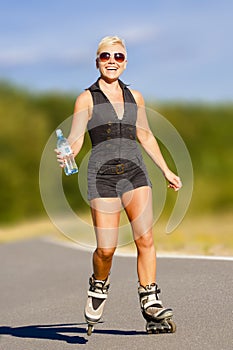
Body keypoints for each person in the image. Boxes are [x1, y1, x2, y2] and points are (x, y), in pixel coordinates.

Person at [56, 35, 182, 334]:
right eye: (105, 56)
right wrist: (67, 153)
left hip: (136, 173)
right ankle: (98, 285)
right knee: (106, 249)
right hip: (102, 177)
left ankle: (150, 302)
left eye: (119, 56)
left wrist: (166, 169)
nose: (112, 61)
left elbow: (146, 135)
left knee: (145, 239)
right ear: (97, 61)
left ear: (125, 62)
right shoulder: (86, 98)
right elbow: (75, 138)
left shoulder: (135, 96)